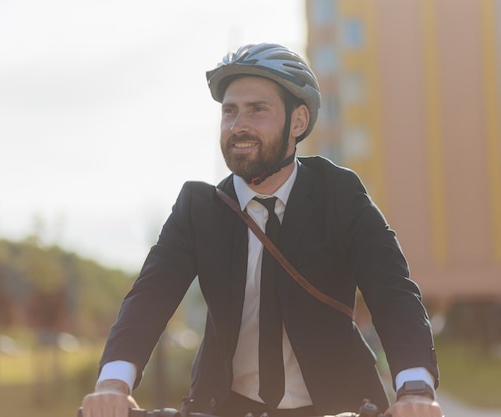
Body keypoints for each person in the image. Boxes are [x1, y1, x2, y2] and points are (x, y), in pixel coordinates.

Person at [81, 43, 444, 417]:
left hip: (337, 406)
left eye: (257, 110)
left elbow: (394, 294)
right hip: (226, 405)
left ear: (298, 122)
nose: (239, 126)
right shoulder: (199, 209)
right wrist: (113, 383)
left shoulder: (340, 195)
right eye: (230, 112)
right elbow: (150, 297)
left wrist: (415, 389)